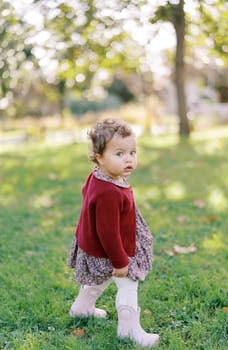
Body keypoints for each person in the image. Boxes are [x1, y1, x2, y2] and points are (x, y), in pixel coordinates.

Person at [67, 118, 159, 347]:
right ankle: (128, 330)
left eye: (132, 152)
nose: (128, 158)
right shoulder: (109, 192)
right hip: (111, 250)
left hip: (95, 247)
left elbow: (84, 191)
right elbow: (107, 232)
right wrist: (120, 261)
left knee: (99, 278)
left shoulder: (100, 175)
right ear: (99, 157)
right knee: (128, 282)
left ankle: (82, 308)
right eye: (119, 154)